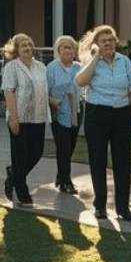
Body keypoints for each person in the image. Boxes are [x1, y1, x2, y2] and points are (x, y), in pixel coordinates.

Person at [75, 24, 131, 222]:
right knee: (98, 160)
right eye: (103, 41)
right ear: (96, 44)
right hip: (97, 114)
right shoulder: (91, 61)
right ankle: (100, 205)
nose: (107, 43)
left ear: (116, 42)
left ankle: (123, 208)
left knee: (123, 162)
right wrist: (95, 57)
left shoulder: (124, 61)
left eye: (110, 40)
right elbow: (80, 81)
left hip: (122, 115)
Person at [0, 33, 50, 208]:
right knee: (20, 156)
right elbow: (8, 92)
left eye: (30, 44)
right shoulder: (11, 67)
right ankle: (21, 193)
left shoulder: (41, 66)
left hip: (39, 116)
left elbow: (44, 90)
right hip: (19, 117)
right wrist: (14, 118)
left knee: (37, 152)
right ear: (16, 50)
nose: (28, 48)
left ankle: (12, 174)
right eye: (23, 46)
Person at [46, 35, 83, 195]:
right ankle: (66, 182)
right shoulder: (52, 68)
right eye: (65, 47)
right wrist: (52, 101)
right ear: (58, 50)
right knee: (63, 147)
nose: (69, 50)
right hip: (59, 110)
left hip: (76, 110)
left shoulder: (79, 67)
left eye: (71, 47)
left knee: (71, 146)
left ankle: (61, 176)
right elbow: (44, 91)